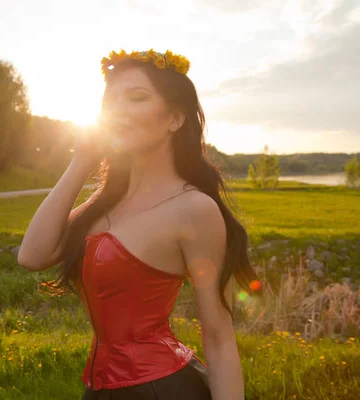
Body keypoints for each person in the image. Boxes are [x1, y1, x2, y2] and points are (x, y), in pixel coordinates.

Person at [18, 49, 262, 400]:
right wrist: (82, 160)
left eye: (137, 98)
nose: (118, 111)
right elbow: (32, 255)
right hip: (100, 391)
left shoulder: (194, 208)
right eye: (111, 102)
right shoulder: (105, 201)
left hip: (163, 390)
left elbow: (220, 339)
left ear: (175, 119)